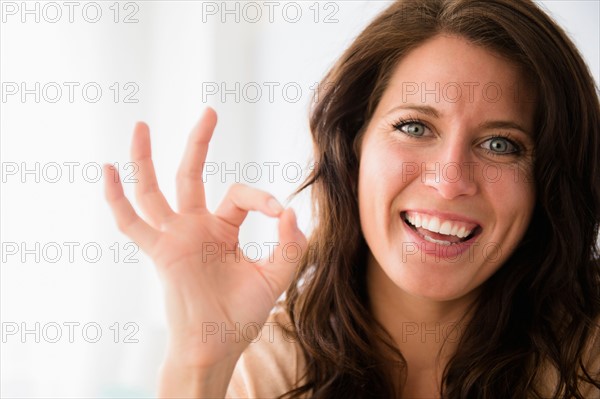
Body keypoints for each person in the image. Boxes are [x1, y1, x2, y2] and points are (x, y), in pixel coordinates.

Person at [103, 0, 600, 397]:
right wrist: (199, 366)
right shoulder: (264, 366)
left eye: (501, 144)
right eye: (414, 126)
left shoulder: (587, 359)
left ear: (548, 182)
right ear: (352, 146)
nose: (450, 181)